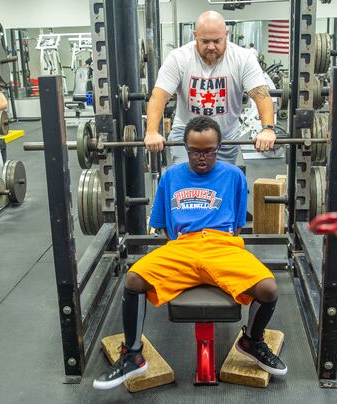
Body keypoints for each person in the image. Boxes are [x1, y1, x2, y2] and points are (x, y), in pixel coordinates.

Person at [93, 117, 287, 390]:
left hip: (222, 245)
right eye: (195, 151)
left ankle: (252, 341)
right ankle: (133, 354)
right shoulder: (171, 176)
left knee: (268, 289)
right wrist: (184, 253)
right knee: (133, 279)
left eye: (209, 150)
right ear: (186, 147)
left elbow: (238, 226)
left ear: (218, 147)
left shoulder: (234, 176)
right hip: (182, 246)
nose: (202, 157)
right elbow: (162, 224)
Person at [144, 11, 276, 165]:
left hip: (226, 138)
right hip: (187, 134)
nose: (211, 47)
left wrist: (267, 129)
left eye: (217, 41)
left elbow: (261, 94)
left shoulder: (243, 58)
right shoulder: (178, 58)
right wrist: (152, 132)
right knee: (187, 183)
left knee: (221, 184)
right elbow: (159, 96)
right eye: (205, 41)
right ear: (195, 36)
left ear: (226, 34)